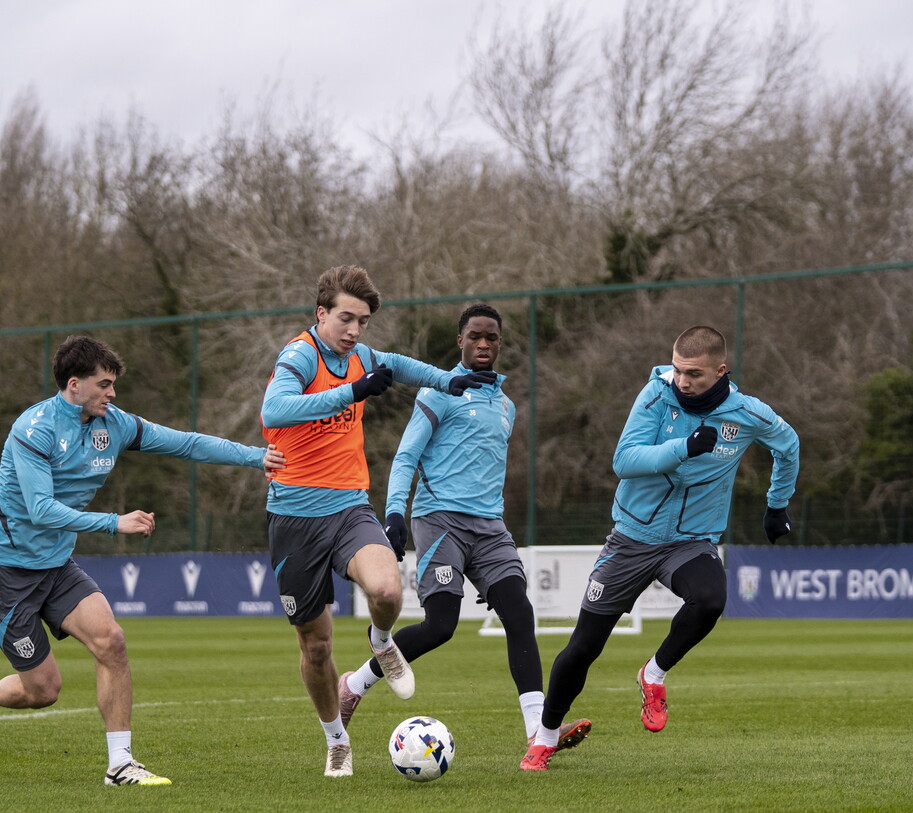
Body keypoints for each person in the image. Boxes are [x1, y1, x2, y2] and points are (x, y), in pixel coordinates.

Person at [0, 335, 284, 785]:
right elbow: (40, 510)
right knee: (44, 690)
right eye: (104, 384)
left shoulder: (116, 424)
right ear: (74, 384)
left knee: (112, 642)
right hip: (2, 573)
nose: (112, 393)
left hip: (54, 567)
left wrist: (255, 457)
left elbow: (185, 444)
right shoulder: (34, 429)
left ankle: (120, 765)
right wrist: (115, 523)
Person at [520, 325, 800, 772]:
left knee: (711, 599)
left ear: (721, 371)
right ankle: (546, 736)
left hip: (691, 542)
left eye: (693, 373)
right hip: (632, 539)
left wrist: (776, 504)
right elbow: (624, 461)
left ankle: (653, 673)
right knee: (583, 648)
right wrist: (683, 447)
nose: (683, 381)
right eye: (677, 370)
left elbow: (788, 444)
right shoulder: (655, 397)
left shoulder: (746, 414)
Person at [260, 265, 497, 777]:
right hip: (294, 519)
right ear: (321, 313)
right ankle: (336, 738)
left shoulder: (362, 356)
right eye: (346, 318)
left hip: (348, 508)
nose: (354, 330)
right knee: (316, 645)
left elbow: (402, 366)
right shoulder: (300, 355)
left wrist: (451, 380)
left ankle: (381, 640)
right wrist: (353, 391)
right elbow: (275, 411)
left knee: (389, 591)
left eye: (363, 321)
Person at [336, 303, 591, 752]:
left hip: (490, 528)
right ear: (460, 341)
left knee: (519, 611)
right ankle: (354, 685)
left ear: (499, 342)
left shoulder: (507, 406)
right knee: (441, 626)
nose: (484, 344)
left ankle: (538, 731)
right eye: (475, 336)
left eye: (491, 337)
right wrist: (394, 514)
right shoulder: (438, 393)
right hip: (440, 522)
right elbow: (406, 457)